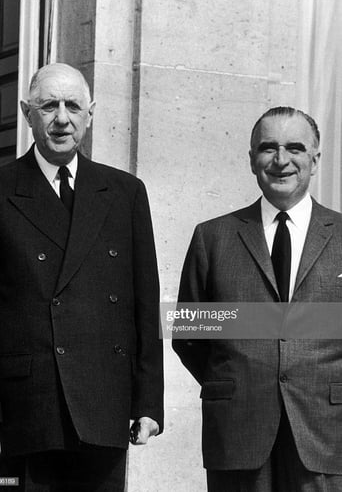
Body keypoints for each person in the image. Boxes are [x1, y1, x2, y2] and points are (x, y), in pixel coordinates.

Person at [0, 63, 163, 491]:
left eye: (72, 105)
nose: (61, 118)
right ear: (26, 112)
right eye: (48, 105)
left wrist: (148, 402)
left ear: (89, 113)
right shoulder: (2, 188)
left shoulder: (125, 192)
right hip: (24, 407)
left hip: (103, 403)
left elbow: (144, 304)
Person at [173, 106, 342, 491]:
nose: (281, 160)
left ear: (315, 160)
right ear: (252, 161)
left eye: (295, 148)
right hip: (239, 432)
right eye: (269, 148)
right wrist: (240, 379)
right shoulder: (212, 238)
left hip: (327, 435)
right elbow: (189, 335)